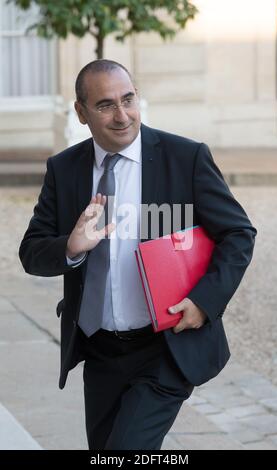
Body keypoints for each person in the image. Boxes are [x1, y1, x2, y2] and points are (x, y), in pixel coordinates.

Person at [19, 59, 257, 450]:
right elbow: (30, 251)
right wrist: (71, 247)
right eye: (105, 105)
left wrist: (204, 301)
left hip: (164, 349)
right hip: (99, 351)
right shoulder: (64, 170)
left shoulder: (186, 158)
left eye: (128, 99)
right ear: (81, 113)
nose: (122, 115)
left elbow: (238, 233)